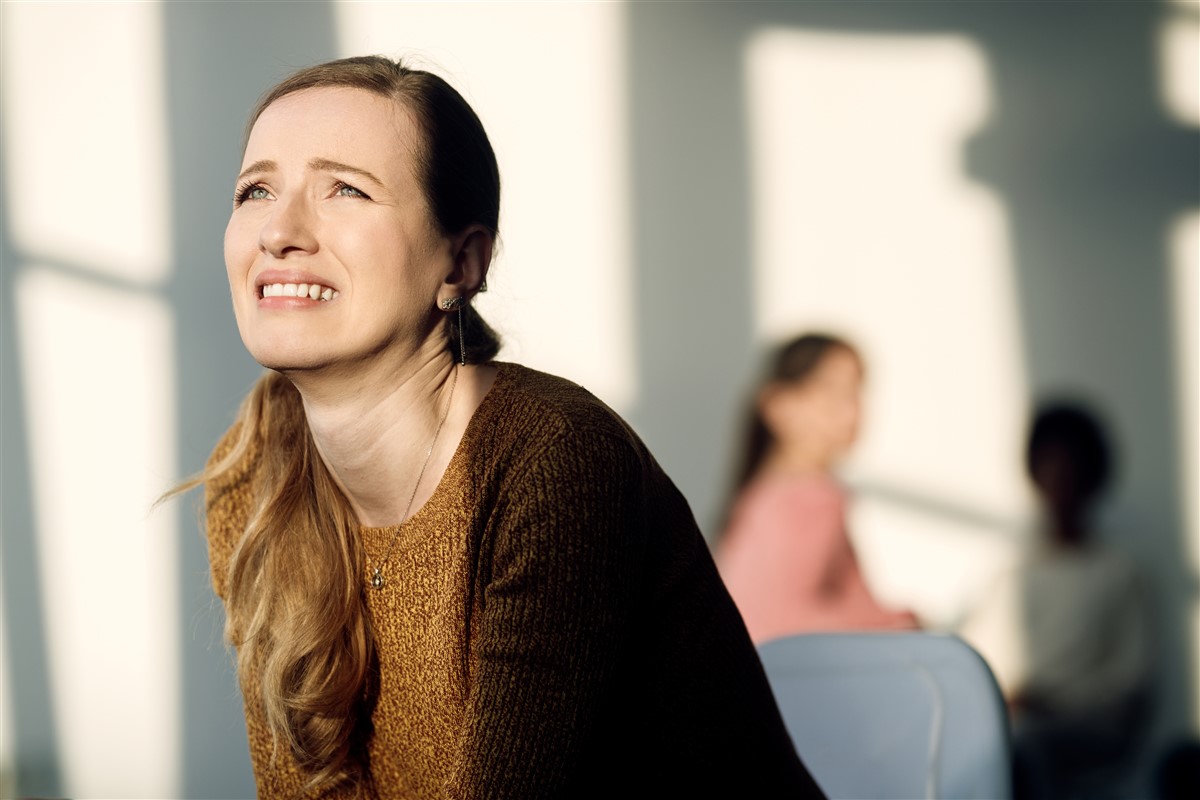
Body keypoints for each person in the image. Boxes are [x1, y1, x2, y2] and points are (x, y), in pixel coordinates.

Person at [163, 55, 825, 799]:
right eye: (255, 190)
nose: (278, 231)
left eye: (345, 189)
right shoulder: (254, 472)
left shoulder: (553, 463)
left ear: (461, 263)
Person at [957, 399, 1153, 800]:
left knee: (1026, 747)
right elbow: (979, 660)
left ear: (1093, 475)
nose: (1061, 478)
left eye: (1072, 465)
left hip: (1089, 730)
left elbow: (1131, 683)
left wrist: (1053, 701)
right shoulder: (1014, 574)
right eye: (1051, 464)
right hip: (1022, 726)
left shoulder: (1119, 572)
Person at [713, 333, 918, 645]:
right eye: (830, 390)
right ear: (777, 405)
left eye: (857, 390)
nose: (852, 409)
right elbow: (778, 627)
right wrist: (896, 624)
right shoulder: (807, 499)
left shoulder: (758, 499)